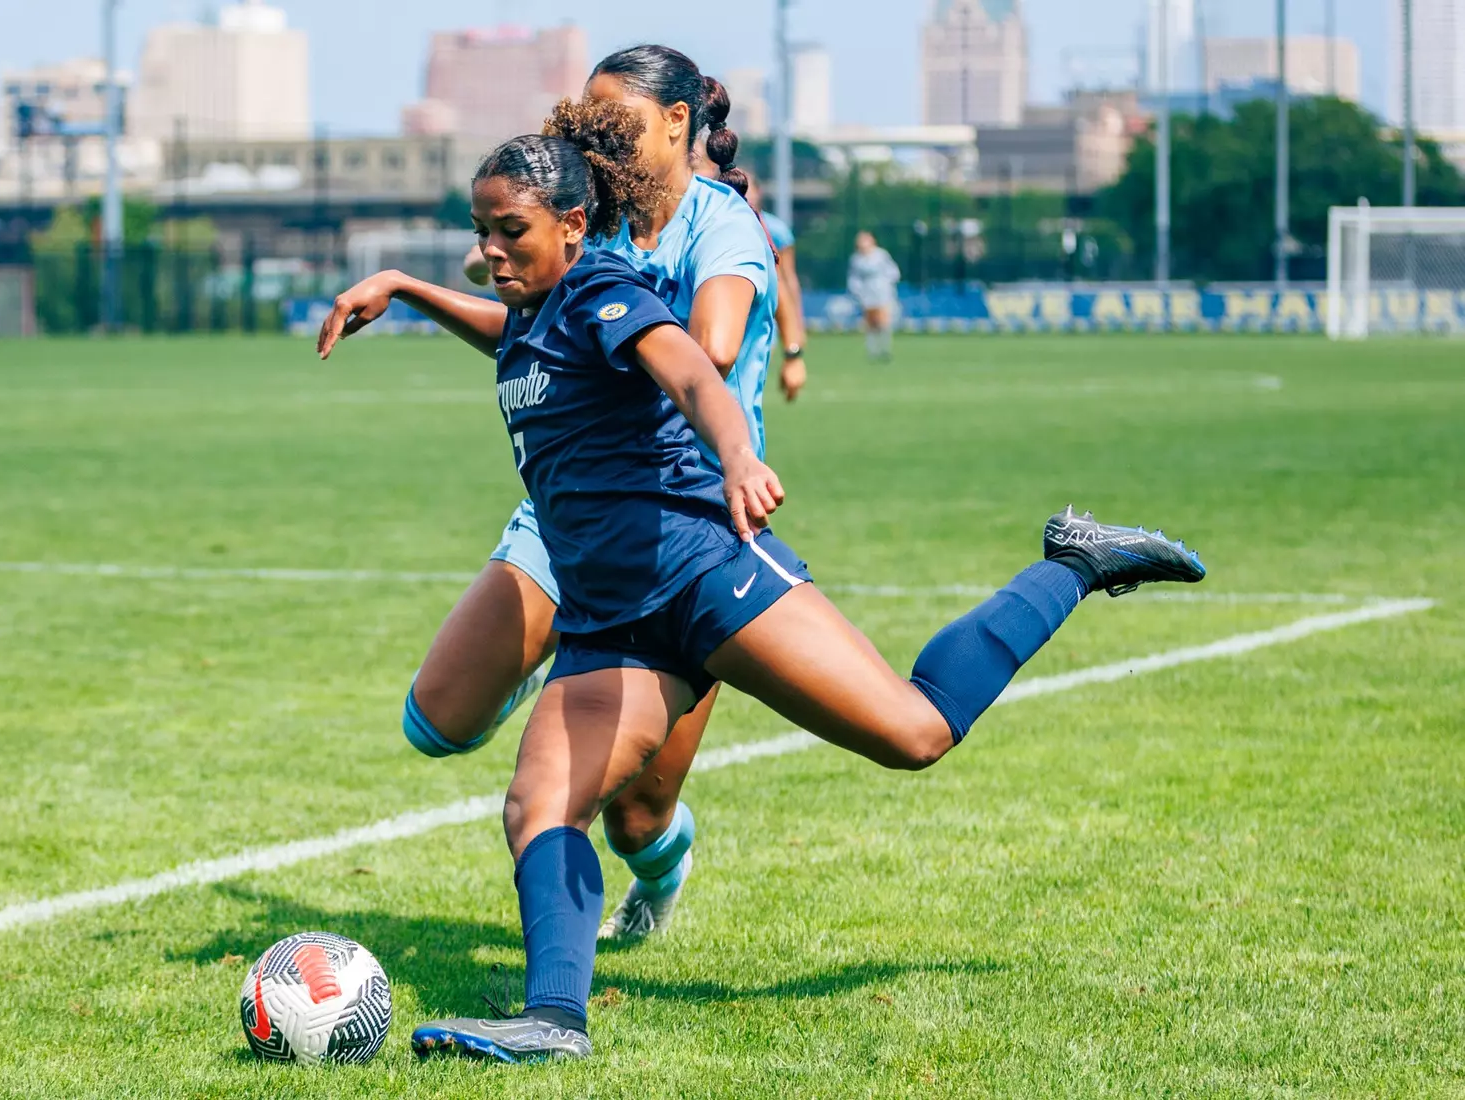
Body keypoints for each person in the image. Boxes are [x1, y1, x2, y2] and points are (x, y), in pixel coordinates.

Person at [318, 111, 1208, 1066]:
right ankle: (553, 1022)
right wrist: (406, 289)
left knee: (915, 733)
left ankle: (1071, 559)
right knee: (538, 809)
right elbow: (509, 335)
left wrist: (739, 454)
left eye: (510, 232)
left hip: (705, 572)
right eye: (481, 230)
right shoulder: (537, 312)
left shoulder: (606, 291)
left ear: (574, 224)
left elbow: (693, 373)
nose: (488, 251)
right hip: (612, 621)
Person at [322, 45, 779, 945]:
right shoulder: (594, 225)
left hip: (679, 527)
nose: (599, 140)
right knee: (436, 723)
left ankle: (663, 858)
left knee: (636, 822)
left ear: (678, 125)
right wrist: (411, 288)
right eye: (590, 124)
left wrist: (635, 331)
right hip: (567, 512)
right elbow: (531, 333)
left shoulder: (718, 224)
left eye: (620, 124)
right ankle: (559, 651)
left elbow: (711, 350)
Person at [747, 173, 807, 401]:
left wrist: (796, 330)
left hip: (763, 314)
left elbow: (787, 278)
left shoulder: (776, 229)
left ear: (759, 192)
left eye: (748, 186)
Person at [848, 230, 901, 362]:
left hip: (882, 291)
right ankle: (872, 350)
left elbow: (893, 271)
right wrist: (857, 291)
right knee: (871, 324)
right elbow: (854, 278)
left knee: (884, 321)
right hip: (867, 294)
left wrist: (889, 283)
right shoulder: (856, 259)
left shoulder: (881, 255)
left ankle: (885, 349)